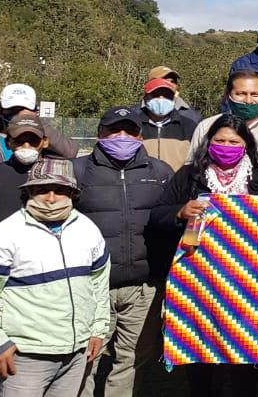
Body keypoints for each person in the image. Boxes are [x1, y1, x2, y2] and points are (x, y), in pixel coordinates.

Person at [151, 115, 258, 397]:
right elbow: (157, 216)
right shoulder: (189, 176)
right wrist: (179, 212)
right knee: (201, 340)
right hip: (200, 277)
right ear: (208, 143)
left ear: (245, 145)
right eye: (219, 140)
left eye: (234, 142)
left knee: (247, 345)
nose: (226, 146)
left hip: (250, 279)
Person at [74, 106, 175, 397]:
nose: (122, 136)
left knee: (132, 359)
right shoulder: (78, 170)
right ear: (99, 134)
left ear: (139, 136)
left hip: (143, 288)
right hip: (92, 288)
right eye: (114, 130)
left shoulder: (160, 172)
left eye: (129, 131)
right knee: (85, 358)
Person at [0, 159, 108, 397]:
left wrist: (98, 329)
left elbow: (99, 282)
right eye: (42, 189)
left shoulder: (88, 229)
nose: (52, 198)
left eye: (61, 190)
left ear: (73, 193)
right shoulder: (4, 235)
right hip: (26, 356)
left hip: (77, 353)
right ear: (29, 192)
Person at [189, 70, 258, 163]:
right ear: (227, 95)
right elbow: (191, 166)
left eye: (255, 95)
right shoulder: (206, 127)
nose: (248, 101)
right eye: (241, 94)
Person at [0, 116, 56, 225]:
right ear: (8, 143)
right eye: (19, 141)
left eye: (33, 140)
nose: (26, 146)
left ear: (45, 142)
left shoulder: (59, 175)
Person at [0, 84, 78, 166]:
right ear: (1, 110)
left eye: (25, 109)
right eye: (12, 110)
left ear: (35, 111)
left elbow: (70, 152)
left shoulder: (39, 136)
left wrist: (34, 123)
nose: (18, 115)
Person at [138, 77, 200, 171]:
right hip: (144, 183)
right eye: (156, 95)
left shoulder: (190, 126)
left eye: (167, 95)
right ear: (146, 97)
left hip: (178, 184)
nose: (161, 99)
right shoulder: (134, 125)